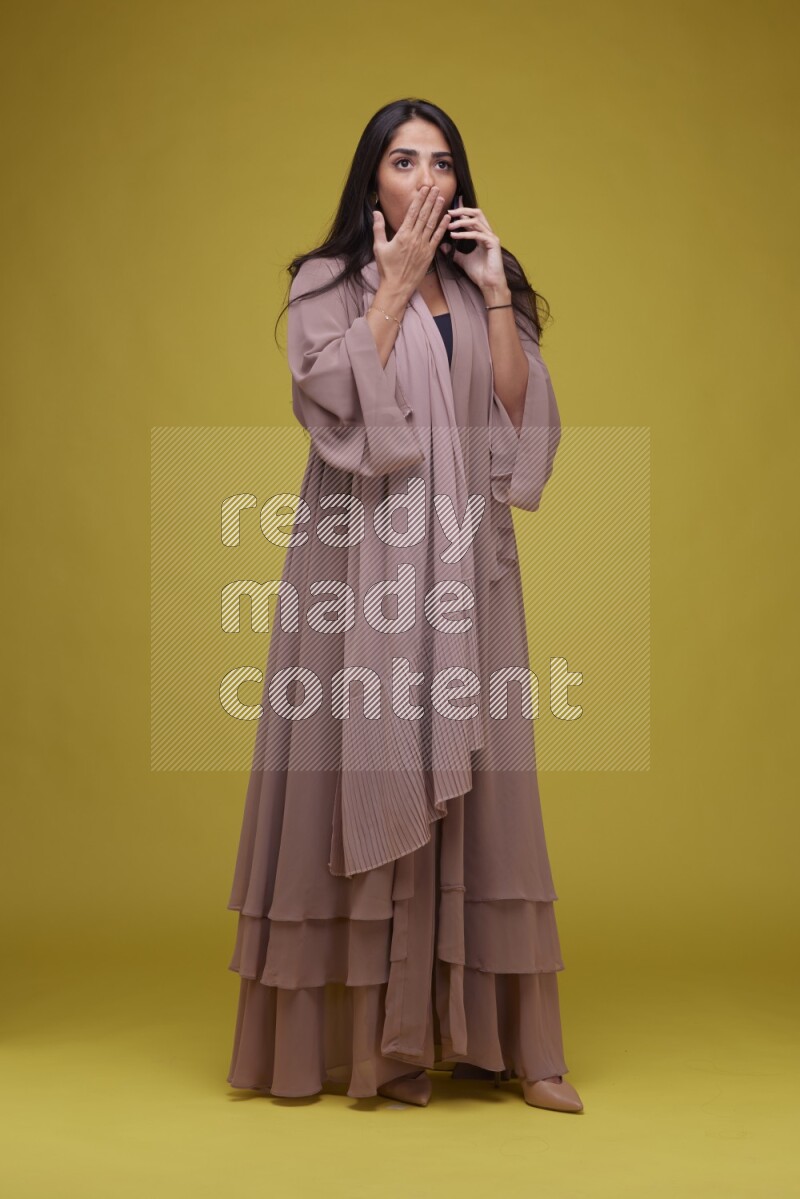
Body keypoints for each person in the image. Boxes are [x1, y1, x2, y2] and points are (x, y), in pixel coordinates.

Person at [226, 98, 583, 1114]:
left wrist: (495, 294)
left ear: (459, 181)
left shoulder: (480, 284)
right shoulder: (325, 282)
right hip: (358, 561)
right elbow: (332, 403)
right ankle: (363, 1045)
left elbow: (516, 419)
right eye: (402, 160)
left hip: (469, 562)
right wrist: (388, 288)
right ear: (371, 180)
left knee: (489, 788)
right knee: (356, 761)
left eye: (440, 161)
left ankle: (515, 1046)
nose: (424, 177)